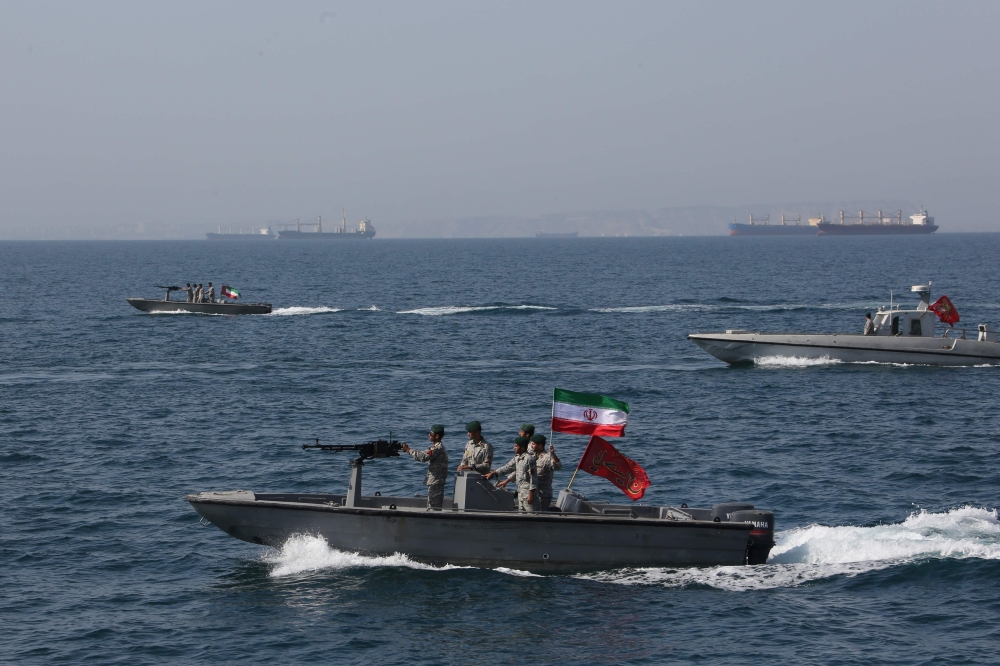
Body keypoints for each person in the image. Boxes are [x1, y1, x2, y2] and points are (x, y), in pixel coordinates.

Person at [401, 425, 449, 509]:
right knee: (433, 505)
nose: (429, 435)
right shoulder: (435, 448)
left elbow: (423, 457)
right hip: (435, 481)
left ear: (437, 436)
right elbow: (425, 453)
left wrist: (408, 450)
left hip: (436, 482)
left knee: (434, 507)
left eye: (431, 434)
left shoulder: (437, 448)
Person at [485, 437, 538, 512]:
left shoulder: (529, 460)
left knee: (531, 515)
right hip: (520, 493)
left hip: (528, 494)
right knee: (521, 515)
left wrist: (531, 493)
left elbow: (533, 478)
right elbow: (507, 467)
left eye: (516, 446)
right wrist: (493, 473)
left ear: (522, 447)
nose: (514, 448)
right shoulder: (517, 458)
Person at [529, 434, 561, 511]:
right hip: (533, 492)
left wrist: (553, 454)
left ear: (540, 445)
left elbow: (558, 466)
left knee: (541, 514)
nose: (531, 446)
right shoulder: (532, 456)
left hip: (543, 494)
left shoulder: (547, 457)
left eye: (533, 444)